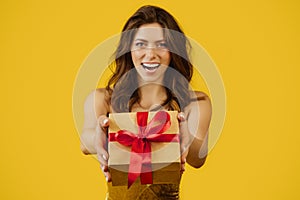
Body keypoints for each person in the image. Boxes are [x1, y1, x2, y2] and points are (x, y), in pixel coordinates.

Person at [80, 5, 212, 200]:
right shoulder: (103, 99)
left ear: (174, 50)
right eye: (141, 44)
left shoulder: (195, 103)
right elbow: (86, 140)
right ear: (128, 49)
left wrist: (184, 137)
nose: (151, 54)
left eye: (161, 44)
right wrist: (102, 135)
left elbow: (198, 158)